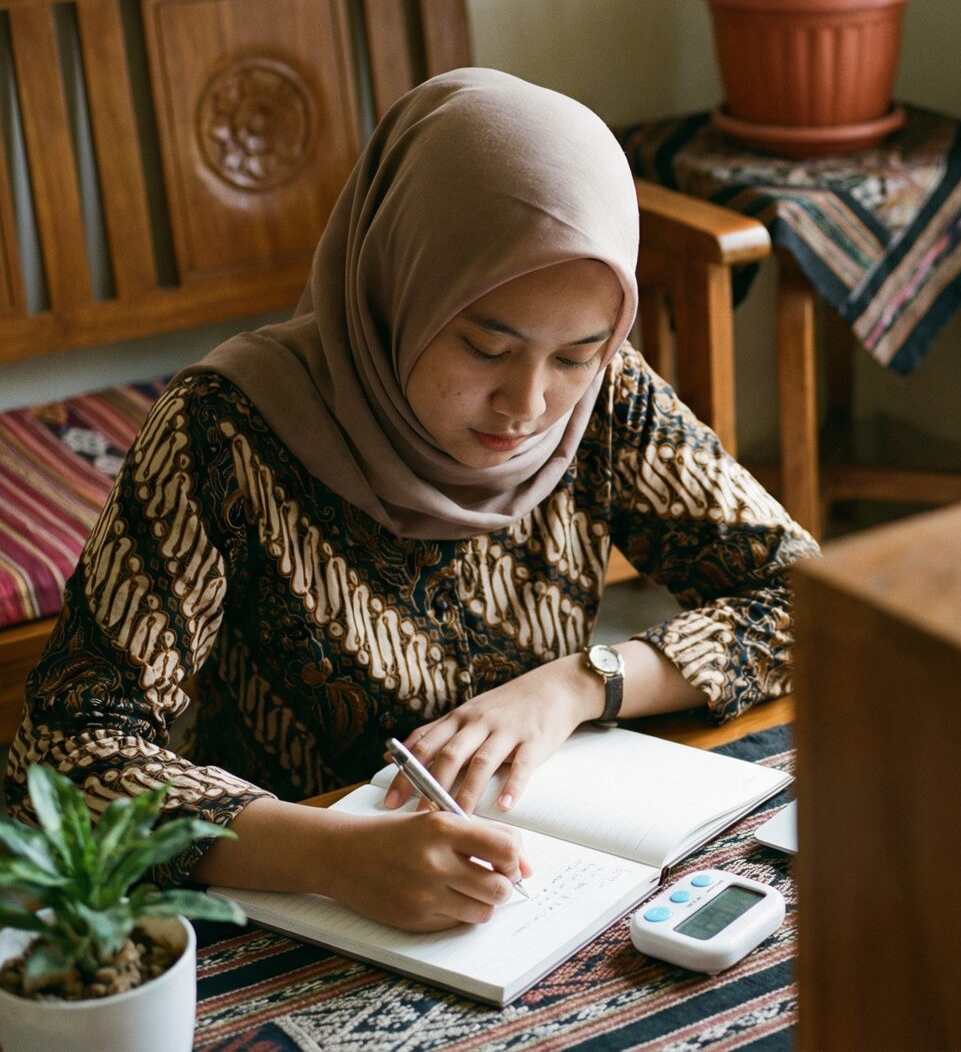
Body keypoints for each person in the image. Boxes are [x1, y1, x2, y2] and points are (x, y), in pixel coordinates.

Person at [4, 69, 817, 932]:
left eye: (576, 354)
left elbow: (817, 605)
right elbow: (62, 756)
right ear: (398, 288)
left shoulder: (604, 401)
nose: (529, 405)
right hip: (291, 896)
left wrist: (576, 686)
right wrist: (328, 854)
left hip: (528, 880)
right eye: (484, 344)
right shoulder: (225, 431)